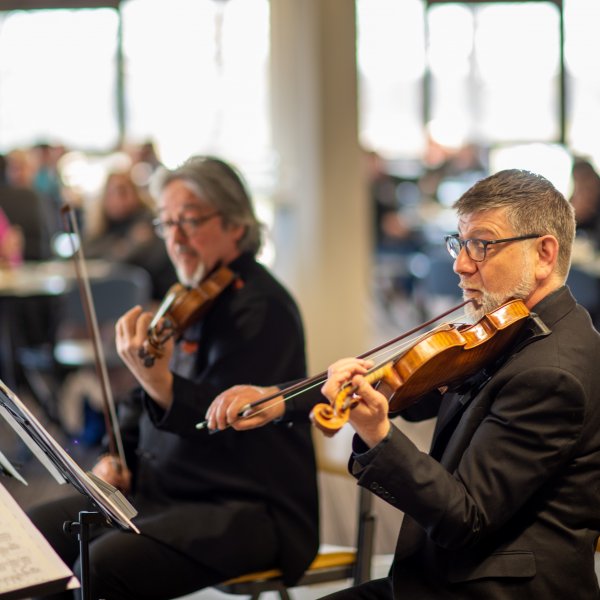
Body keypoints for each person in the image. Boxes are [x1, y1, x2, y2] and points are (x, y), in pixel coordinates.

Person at [207, 169, 600, 599]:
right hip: (452, 576)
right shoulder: (510, 331)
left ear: (544, 253)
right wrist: (282, 401)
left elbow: (465, 517)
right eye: (460, 243)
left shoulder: (552, 373)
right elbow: (399, 386)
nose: (460, 263)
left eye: (482, 246)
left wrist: (377, 434)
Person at [27, 155, 319, 600]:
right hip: (164, 491)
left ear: (236, 225)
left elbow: (226, 424)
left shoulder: (262, 308)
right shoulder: (183, 297)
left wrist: (160, 382)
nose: (176, 239)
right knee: (35, 537)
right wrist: (116, 457)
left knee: (100, 566)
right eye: (166, 224)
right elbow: (133, 402)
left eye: (190, 221)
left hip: (246, 507)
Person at [83, 169, 177, 302]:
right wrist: (130, 244)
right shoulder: (100, 228)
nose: (118, 199)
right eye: (111, 193)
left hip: (150, 298)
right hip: (109, 298)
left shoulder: (147, 221)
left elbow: (147, 264)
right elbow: (91, 256)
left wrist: (125, 248)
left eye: (123, 191)